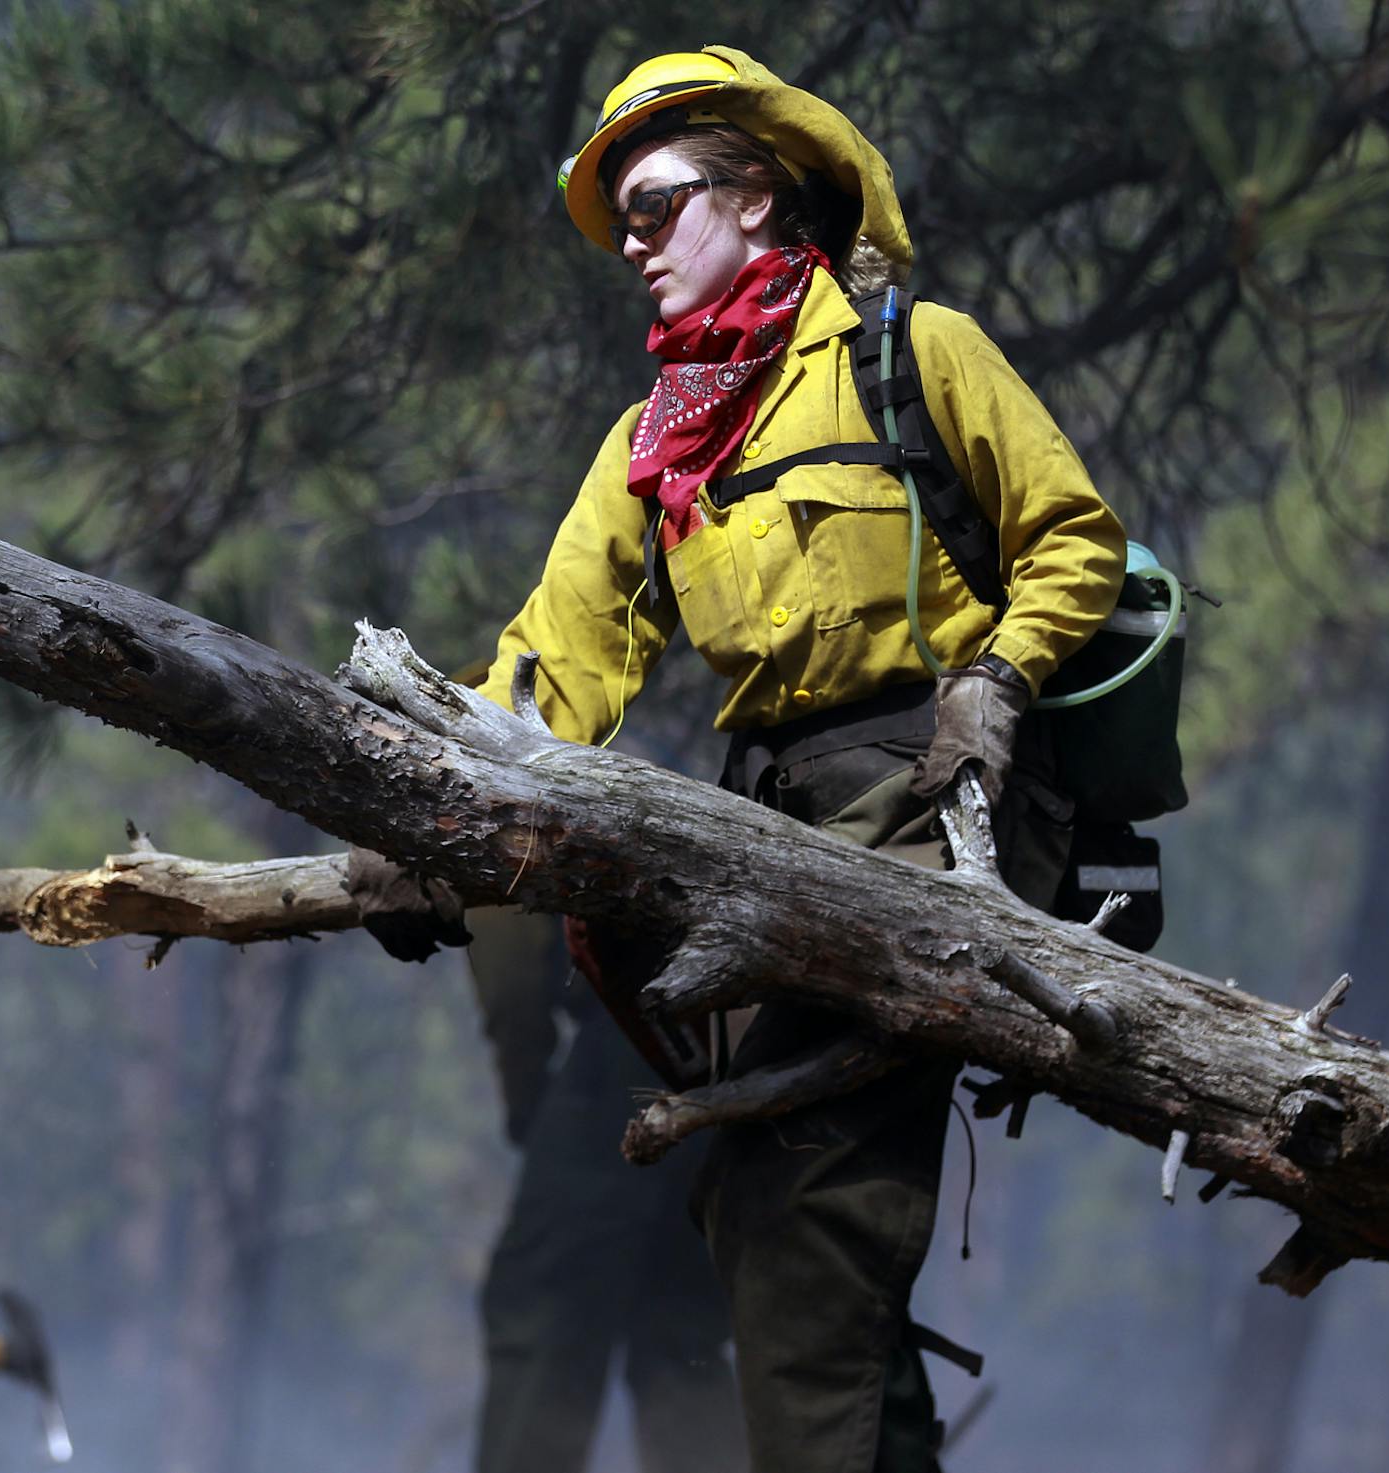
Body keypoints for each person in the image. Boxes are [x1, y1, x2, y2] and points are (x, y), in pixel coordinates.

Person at [364, 44, 1125, 1473]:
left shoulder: (914, 355)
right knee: (763, 1217)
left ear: (761, 199)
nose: (636, 244)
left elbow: (1070, 535)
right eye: (625, 223)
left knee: (806, 1214)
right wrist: (430, 819)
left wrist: (999, 687)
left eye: (658, 206)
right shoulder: (658, 441)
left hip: (933, 796)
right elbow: (555, 665)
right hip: (768, 819)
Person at [463, 907, 745, 1473]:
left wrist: (527, 1097)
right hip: (733, 1062)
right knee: (681, 1333)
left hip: (621, 1046)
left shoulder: (505, 812)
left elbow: (506, 940)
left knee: (544, 1318)